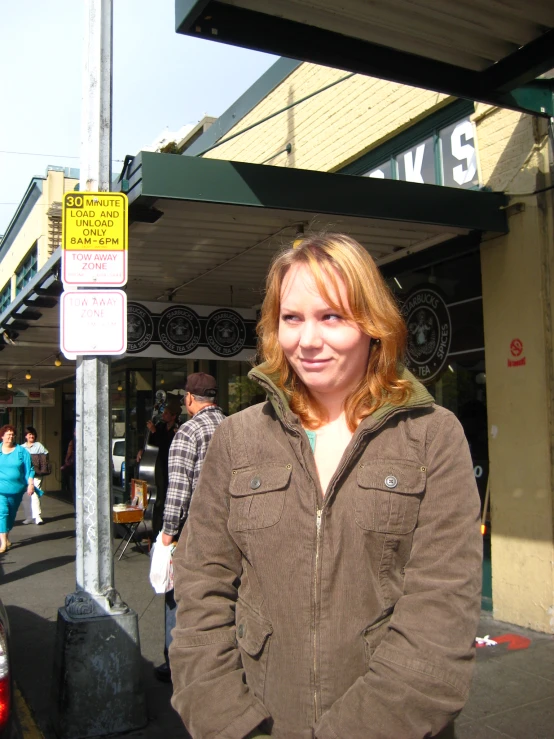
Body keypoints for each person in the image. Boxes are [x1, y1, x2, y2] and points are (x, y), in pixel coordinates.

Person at [169, 233, 483, 738]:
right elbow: (201, 590)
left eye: (331, 316)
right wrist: (229, 724)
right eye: (291, 318)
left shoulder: (431, 435)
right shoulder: (238, 438)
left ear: (372, 324)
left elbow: (440, 616)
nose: (306, 340)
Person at [155, 373, 225, 683]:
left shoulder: (187, 431)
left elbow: (179, 488)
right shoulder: (232, 426)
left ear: (189, 398)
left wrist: (167, 534)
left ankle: (177, 663)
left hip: (195, 530)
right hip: (231, 528)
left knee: (178, 595)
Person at [137, 395, 182, 539]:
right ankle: (156, 528)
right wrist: (142, 449)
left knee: (165, 496)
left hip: (169, 467)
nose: (164, 415)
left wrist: (154, 431)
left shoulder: (177, 429)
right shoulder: (161, 426)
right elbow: (153, 443)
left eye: (167, 413)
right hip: (159, 466)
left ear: (174, 416)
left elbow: (166, 446)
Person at [0, 424, 35, 553]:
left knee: (11, 514)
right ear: (2, 436)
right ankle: (3, 542)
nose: (10, 437)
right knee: (2, 512)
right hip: (0, 489)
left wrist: (30, 484)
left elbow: (29, 469)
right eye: (8, 435)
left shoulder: (21, 451)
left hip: (16, 490)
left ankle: (6, 536)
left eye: (12, 435)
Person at [22, 426, 48, 525]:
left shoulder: (38, 445)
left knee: (34, 494)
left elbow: (45, 456)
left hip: (37, 474)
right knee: (25, 496)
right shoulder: (21, 447)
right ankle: (29, 517)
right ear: (26, 436)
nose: (31, 436)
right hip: (25, 475)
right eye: (29, 434)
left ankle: (37, 516)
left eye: (33, 434)